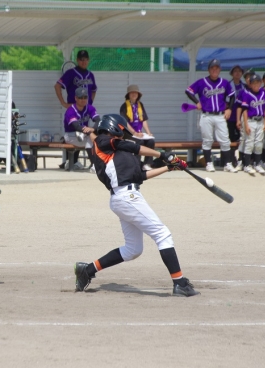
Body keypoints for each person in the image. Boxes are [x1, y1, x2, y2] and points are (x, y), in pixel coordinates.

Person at [74, 114, 199, 297]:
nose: (122, 136)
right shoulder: (102, 141)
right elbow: (129, 145)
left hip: (126, 197)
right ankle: (179, 283)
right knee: (162, 234)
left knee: (133, 250)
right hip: (126, 197)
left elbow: (140, 176)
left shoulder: (118, 152)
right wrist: (162, 155)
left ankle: (88, 270)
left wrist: (169, 167)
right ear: (114, 128)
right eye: (121, 132)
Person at [185, 59, 238, 173]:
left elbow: (232, 96)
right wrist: (196, 102)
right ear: (209, 70)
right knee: (207, 140)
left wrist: (229, 109)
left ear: (219, 70)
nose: (215, 70)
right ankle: (209, 163)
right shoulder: (202, 82)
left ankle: (227, 164)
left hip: (220, 115)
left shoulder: (224, 83)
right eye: (212, 68)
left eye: (217, 68)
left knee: (225, 140)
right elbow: (188, 91)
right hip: (206, 115)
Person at [62, 87, 100, 171]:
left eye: (85, 97)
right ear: (76, 98)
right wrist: (90, 132)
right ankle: (95, 165)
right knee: (89, 139)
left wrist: (93, 129)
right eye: (80, 97)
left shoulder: (90, 108)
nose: (83, 100)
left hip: (84, 134)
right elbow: (76, 126)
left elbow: (98, 120)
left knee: (94, 138)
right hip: (70, 135)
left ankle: (95, 164)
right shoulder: (70, 110)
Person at [119, 84, 155, 171]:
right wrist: (134, 133)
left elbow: (144, 120)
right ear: (128, 95)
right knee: (140, 142)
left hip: (139, 132)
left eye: (136, 93)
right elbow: (125, 123)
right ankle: (137, 164)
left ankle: (146, 164)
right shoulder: (124, 106)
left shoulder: (140, 105)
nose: (134, 94)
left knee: (150, 141)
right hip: (128, 134)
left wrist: (148, 132)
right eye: (132, 93)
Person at [239, 74, 265, 175]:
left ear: (261, 83)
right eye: (253, 83)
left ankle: (257, 164)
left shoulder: (264, 93)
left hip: (260, 120)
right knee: (249, 143)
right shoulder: (247, 94)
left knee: (259, 143)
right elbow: (244, 111)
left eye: (258, 82)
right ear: (250, 84)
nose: (256, 84)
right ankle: (247, 165)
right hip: (251, 120)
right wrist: (246, 125)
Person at [235, 69, 255, 171]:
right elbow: (239, 106)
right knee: (243, 139)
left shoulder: (258, 91)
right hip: (245, 117)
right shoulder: (243, 91)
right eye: (247, 77)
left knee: (254, 140)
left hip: (256, 119)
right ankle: (241, 161)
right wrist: (238, 119)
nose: (249, 79)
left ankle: (253, 161)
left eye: (250, 77)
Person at [228, 65, 244, 166]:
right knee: (230, 138)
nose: (237, 73)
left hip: (241, 117)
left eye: (239, 71)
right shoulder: (228, 85)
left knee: (242, 138)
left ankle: (241, 159)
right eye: (235, 71)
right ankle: (230, 159)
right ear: (232, 74)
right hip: (230, 116)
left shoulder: (245, 86)